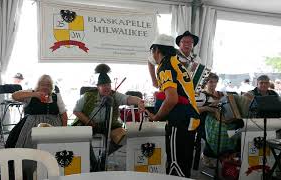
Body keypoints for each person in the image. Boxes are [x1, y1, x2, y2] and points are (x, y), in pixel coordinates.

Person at [145, 34, 200, 177]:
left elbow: (171, 99)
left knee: (176, 163)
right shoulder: (176, 62)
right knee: (184, 159)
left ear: (156, 50)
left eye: (152, 52)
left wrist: (157, 117)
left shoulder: (165, 66)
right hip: (189, 116)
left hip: (179, 120)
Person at [73, 64, 145, 171]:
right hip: (88, 123)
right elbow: (76, 111)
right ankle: (94, 163)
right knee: (82, 136)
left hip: (110, 124)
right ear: (98, 87)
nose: (107, 87)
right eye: (103, 85)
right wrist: (89, 121)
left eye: (108, 85)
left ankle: (103, 156)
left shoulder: (115, 95)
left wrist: (139, 101)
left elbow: (128, 99)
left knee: (124, 136)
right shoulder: (88, 96)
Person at [197, 73, 240, 168]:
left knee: (237, 127)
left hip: (222, 119)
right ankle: (209, 154)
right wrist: (208, 108)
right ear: (206, 82)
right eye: (210, 82)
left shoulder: (221, 94)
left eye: (215, 82)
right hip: (207, 122)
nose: (213, 84)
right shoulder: (202, 95)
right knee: (220, 130)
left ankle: (228, 154)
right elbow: (195, 110)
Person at [12, 74, 67, 148]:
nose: (45, 87)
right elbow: (14, 96)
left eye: (48, 85)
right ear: (38, 85)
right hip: (33, 126)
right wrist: (35, 94)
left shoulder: (55, 96)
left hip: (54, 126)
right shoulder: (31, 93)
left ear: (51, 87)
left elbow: (63, 114)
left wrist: (64, 131)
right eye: (42, 84)